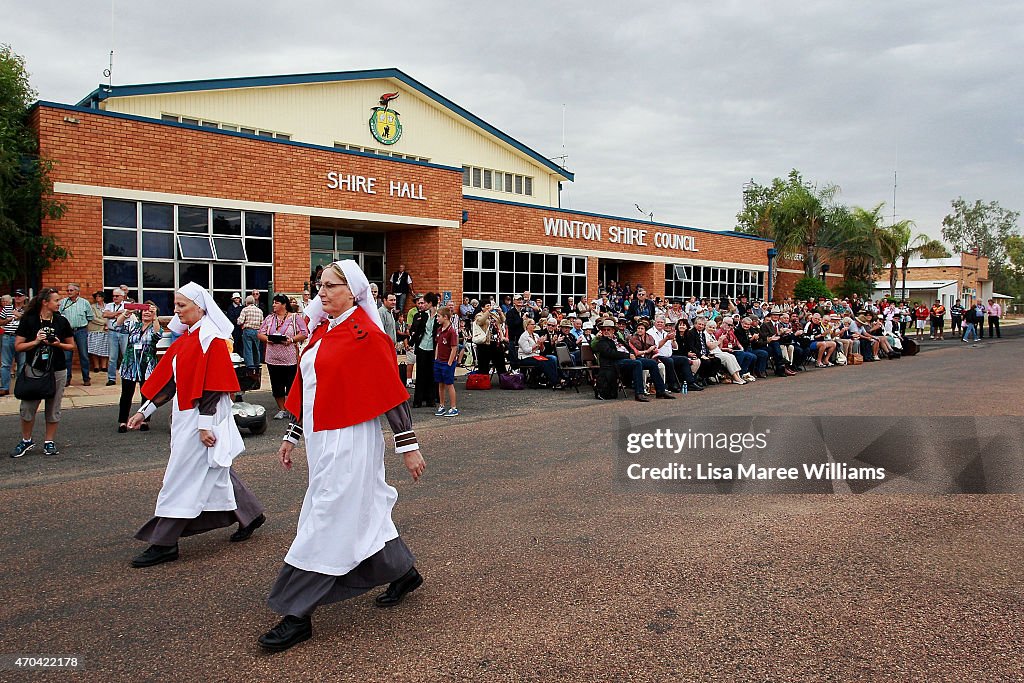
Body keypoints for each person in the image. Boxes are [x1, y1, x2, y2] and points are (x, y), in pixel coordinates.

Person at [261, 260, 426, 652]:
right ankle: (402, 572)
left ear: (353, 290)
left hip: (351, 439)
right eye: (320, 286)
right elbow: (308, 389)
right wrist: (292, 435)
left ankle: (298, 612)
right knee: (360, 510)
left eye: (332, 286)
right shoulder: (321, 332)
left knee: (327, 514)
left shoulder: (366, 334)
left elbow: (390, 392)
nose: (323, 292)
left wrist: (408, 445)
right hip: (322, 439)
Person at [127, 282, 266, 568]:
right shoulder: (188, 338)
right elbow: (170, 382)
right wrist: (145, 410)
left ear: (200, 307)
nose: (175, 311)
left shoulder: (211, 339)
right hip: (188, 417)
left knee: (179, 479)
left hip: (204, 418)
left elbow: (214, 387)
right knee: (214, 469)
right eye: (175, 305)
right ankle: (250, 514)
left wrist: (205, 426)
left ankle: (165, 542)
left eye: (181, 305)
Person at [11, 288, 74, 457]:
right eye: (56, 300)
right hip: (34, 368)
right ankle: (26, 440)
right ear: (45, 302)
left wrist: (58, 344)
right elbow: (18, 346)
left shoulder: (61, 321)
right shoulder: (29, 320)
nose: (59, 303)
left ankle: (49, 442)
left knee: (53, 407)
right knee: (28, 407)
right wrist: (36, 341)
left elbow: (71, 346)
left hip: (57, 369)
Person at [259, 294, 309, 420]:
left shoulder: (295, 318)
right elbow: (260, 333)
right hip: (272, 357)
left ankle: (293, 408)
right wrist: (268, 339)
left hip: (289, 358)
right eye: (273, 303)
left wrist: (292, 339)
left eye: (276, 303)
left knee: (291, 383)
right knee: (276, 384)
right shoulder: (270, 318)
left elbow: (304, 333)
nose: (273, 305)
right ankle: (282, 409)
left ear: (284, 304)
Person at [115, 301, 163, 433]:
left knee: (146, 394)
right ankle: (123, 421)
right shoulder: (133, 325)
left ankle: (145, 420)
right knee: (126, 394)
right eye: (145, 310)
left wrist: (155, 318)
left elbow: (158, 335)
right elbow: (117, 326)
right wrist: (126, 313)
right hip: (130, 364)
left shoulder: (155, 326)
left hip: (147, 365)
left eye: (150, 311)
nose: (147, 312)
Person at [58, 282, 94, 387]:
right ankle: (67, 379)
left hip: (81, 330)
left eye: (71, 290)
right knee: (67, 356)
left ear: (77, 291)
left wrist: (83, 324)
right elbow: (58, 316)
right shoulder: (62, 302)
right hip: (67, 332)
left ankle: (86, 378)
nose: (69, 292)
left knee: (84, 355)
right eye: (68, 290)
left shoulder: (84, 303)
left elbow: (90, 317)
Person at [408, 293, 439, 408]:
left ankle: (431, 399)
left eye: (425, 302)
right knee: (420, 373)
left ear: (430, 303)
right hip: (421, 347)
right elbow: (414, 330)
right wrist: (411, 343)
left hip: (433, 348)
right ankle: (418, 400)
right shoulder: (420, 315)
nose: (423, 305)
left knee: (431, 374)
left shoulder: (439, 315)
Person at [1, 290, 29, 397]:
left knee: (22, 364)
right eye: (16, 296)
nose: (17, 298)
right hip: (8, 336)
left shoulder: (28, 309)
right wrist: (7, 320)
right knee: (5, 364)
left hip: (21, 338)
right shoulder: (8, 308)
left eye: (20, 296)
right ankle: (4, 388)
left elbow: (31, 321)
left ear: (24, 297)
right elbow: (0, 321)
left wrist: (21, 316)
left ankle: (20, 387)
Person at [433, 309, 459, 417]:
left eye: (438, 316)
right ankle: (442, 405)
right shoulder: (439, 330)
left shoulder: (451, 332)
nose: (437, 318)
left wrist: (449, 363)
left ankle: (453, 407)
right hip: (439, 361)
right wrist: (436, 358)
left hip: (447, 363)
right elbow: (438, 344)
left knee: (449, 384)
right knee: (440, 384)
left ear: (445, 317)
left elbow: (454, 348)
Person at [103, 288, 129, 386]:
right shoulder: (109, 305)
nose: (114, 298)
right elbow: (105, 314)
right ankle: (111, 378)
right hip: (112, 332)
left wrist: (112, 315)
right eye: (113, 296)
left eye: (117, 296)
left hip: (124, 332)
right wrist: (118, 313)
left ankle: (127, 376)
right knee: (112, 357)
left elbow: (128, 316)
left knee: (125, 356)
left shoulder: (127, 305)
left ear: (122, 297)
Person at [237, 295, 264, 370]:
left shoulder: (245, 310)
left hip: (247, 330)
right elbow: (262, 322)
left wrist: (238, 320)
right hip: (257, 331)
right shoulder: (259, 311)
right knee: (256, 349)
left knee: (248, 349)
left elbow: (240, 321)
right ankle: (257, 364)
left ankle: (250, 366)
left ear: (246, 302)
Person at [86, 290, 109, 378]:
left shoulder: (108, 306)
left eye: (99, 296)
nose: (97, 298)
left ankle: (104, 366)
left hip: (106, 330)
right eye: (96, 297)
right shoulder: (92, 307)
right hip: (95, 330)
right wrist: (105, 323)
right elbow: (93, 318)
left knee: (105, 348)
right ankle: (96, 366)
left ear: (102, 298)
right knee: (94, 348)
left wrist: (108, 324)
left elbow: (111, 316)